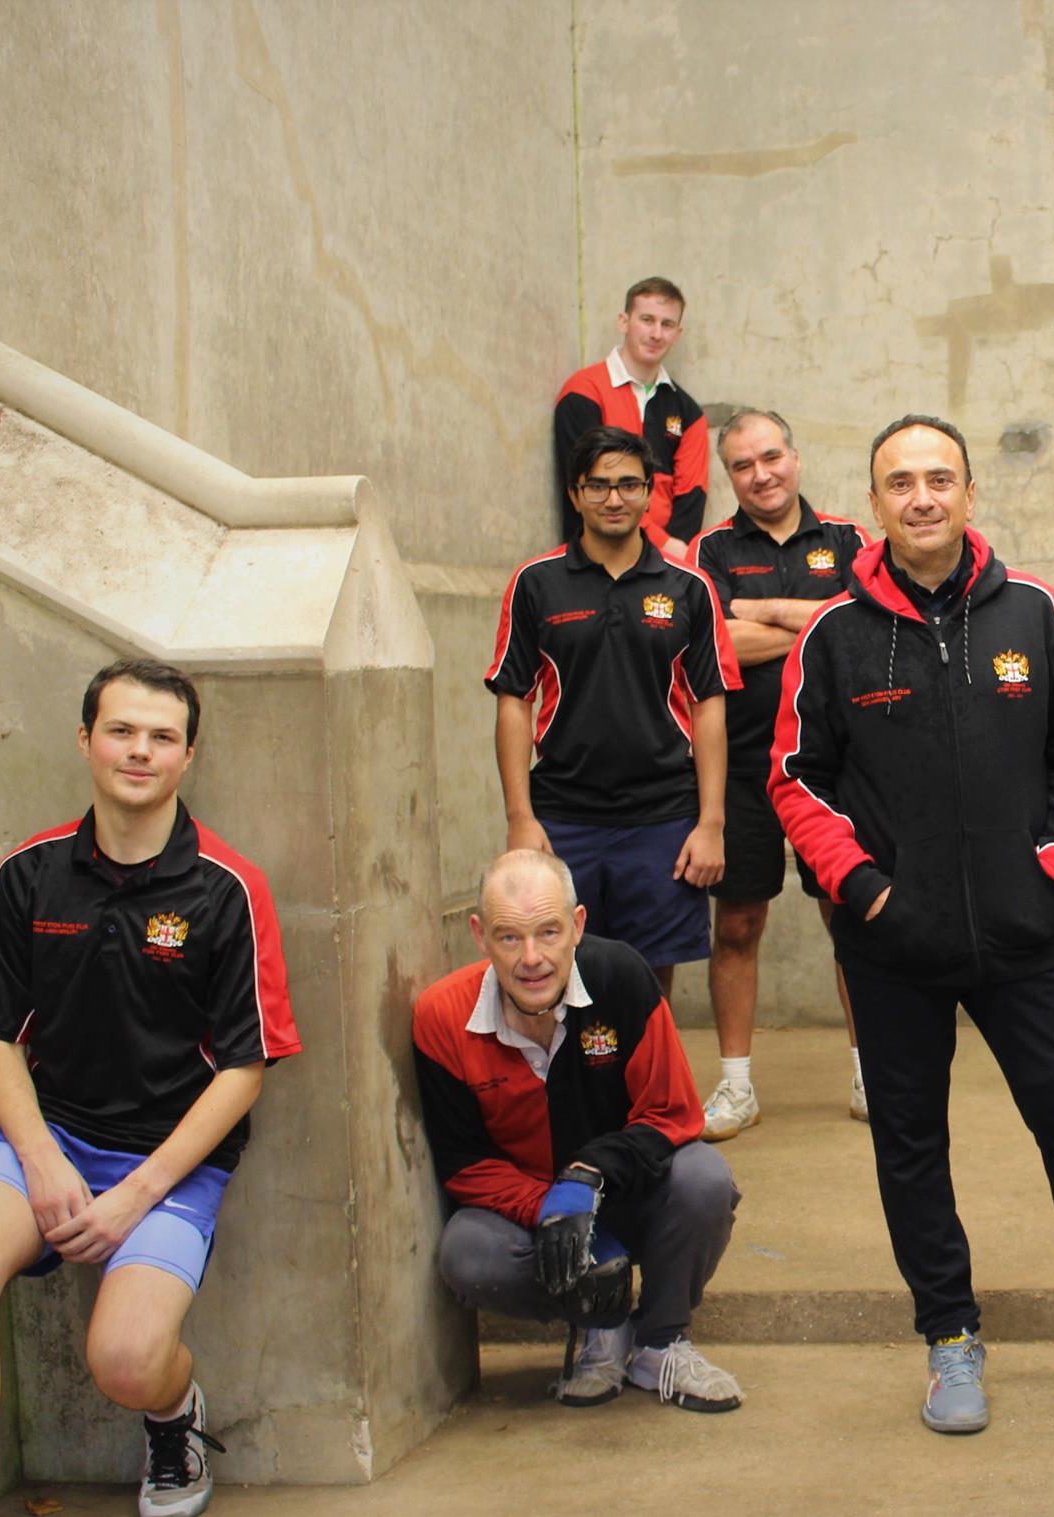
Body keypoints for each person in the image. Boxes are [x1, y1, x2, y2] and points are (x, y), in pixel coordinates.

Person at [769, 414, 1054, 1435]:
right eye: (901, 481)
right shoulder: (834, 634)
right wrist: (864, 889)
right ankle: (949, 1337)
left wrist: (1046, 875)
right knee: (911, 1143)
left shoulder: (1033, 613)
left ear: (967, 493)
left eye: (940, 477)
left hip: (1024, 938)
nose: (923, 496)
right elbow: (795, 777)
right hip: (891, 946)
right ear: (873, 504)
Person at [0, 660, 299, 1517]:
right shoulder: (29, 872)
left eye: (162, 736)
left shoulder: (227, 886)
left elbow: (246, 1066)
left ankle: (175, 1415)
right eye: (122, 730)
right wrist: (43, 1161)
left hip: (168, 1160)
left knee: (127, 1361)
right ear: (86, 740)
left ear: (188, 754)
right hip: (42, 1137)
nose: (140, 750)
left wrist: (138, 1190)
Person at [413, 849, 742, 1412]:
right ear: (479, 936)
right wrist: (552, 1208)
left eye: (548, 931)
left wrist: (589, 1175)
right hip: (530, 1216)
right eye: (509, 938)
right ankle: (601, 1327)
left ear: (578, 925)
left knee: (704, 1180)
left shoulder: (621, 976)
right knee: (467, 1254)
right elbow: (465, 1164)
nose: (532, 958)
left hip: (625, 1192)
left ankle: (661, 1341)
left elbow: (673, 1113)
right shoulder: (441, 1016)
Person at [489, 424, 736, 994]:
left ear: (650, 493)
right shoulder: (535, 583)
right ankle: (572, 1088)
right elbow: (514, 701)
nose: (614, 499)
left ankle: (642, 1087)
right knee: (554, 977)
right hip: (562, 819)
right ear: (575, 495)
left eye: (629, 484)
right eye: (597, 486)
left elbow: (708, 709)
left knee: (647, 986)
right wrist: (520, 818)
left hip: (664, 821)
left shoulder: (688, 588)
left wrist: (711, 822)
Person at [690, 407, 870, 1134]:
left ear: (795, 458)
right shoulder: (706, 549)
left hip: (839, 769)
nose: (760, 474)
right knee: (736, 923)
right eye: (741, 464)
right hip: (740, 770)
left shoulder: (850, 540)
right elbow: (713, 643)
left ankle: (871, 1072)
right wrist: (815, 620)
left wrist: (761, 608)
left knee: (850, 919)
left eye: (770, 457)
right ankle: (736, 1086)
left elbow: (862, 626)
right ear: (727, 475)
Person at [552, 276, 710, 558]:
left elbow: (692, 495)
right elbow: (585, 485)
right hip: (594, 557)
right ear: (623, 321)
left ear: (678, 334)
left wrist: (670, 555)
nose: (656, 333)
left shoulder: (689, 413)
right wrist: (660, 543)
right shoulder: (584, 392)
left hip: (663, 566)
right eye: (647, 320)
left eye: (667, 324)